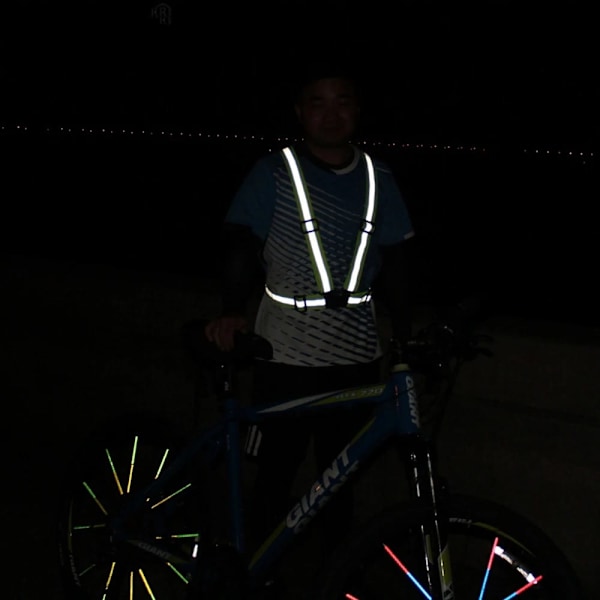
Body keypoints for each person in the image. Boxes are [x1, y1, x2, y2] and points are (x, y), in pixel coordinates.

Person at [204, 55, 416, 569]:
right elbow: (240, 243)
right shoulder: (274, 171)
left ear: (357, 110)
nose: (330, 114)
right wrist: (231, 311)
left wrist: (408, 333)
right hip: (285, 354)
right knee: (275, 473)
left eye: (342, 101)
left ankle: (333, 575)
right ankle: (256, 572)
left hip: (357, 353)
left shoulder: (379, 176)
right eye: (317, 103)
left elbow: (398, 261)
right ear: (300, 112)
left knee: (340, 478)